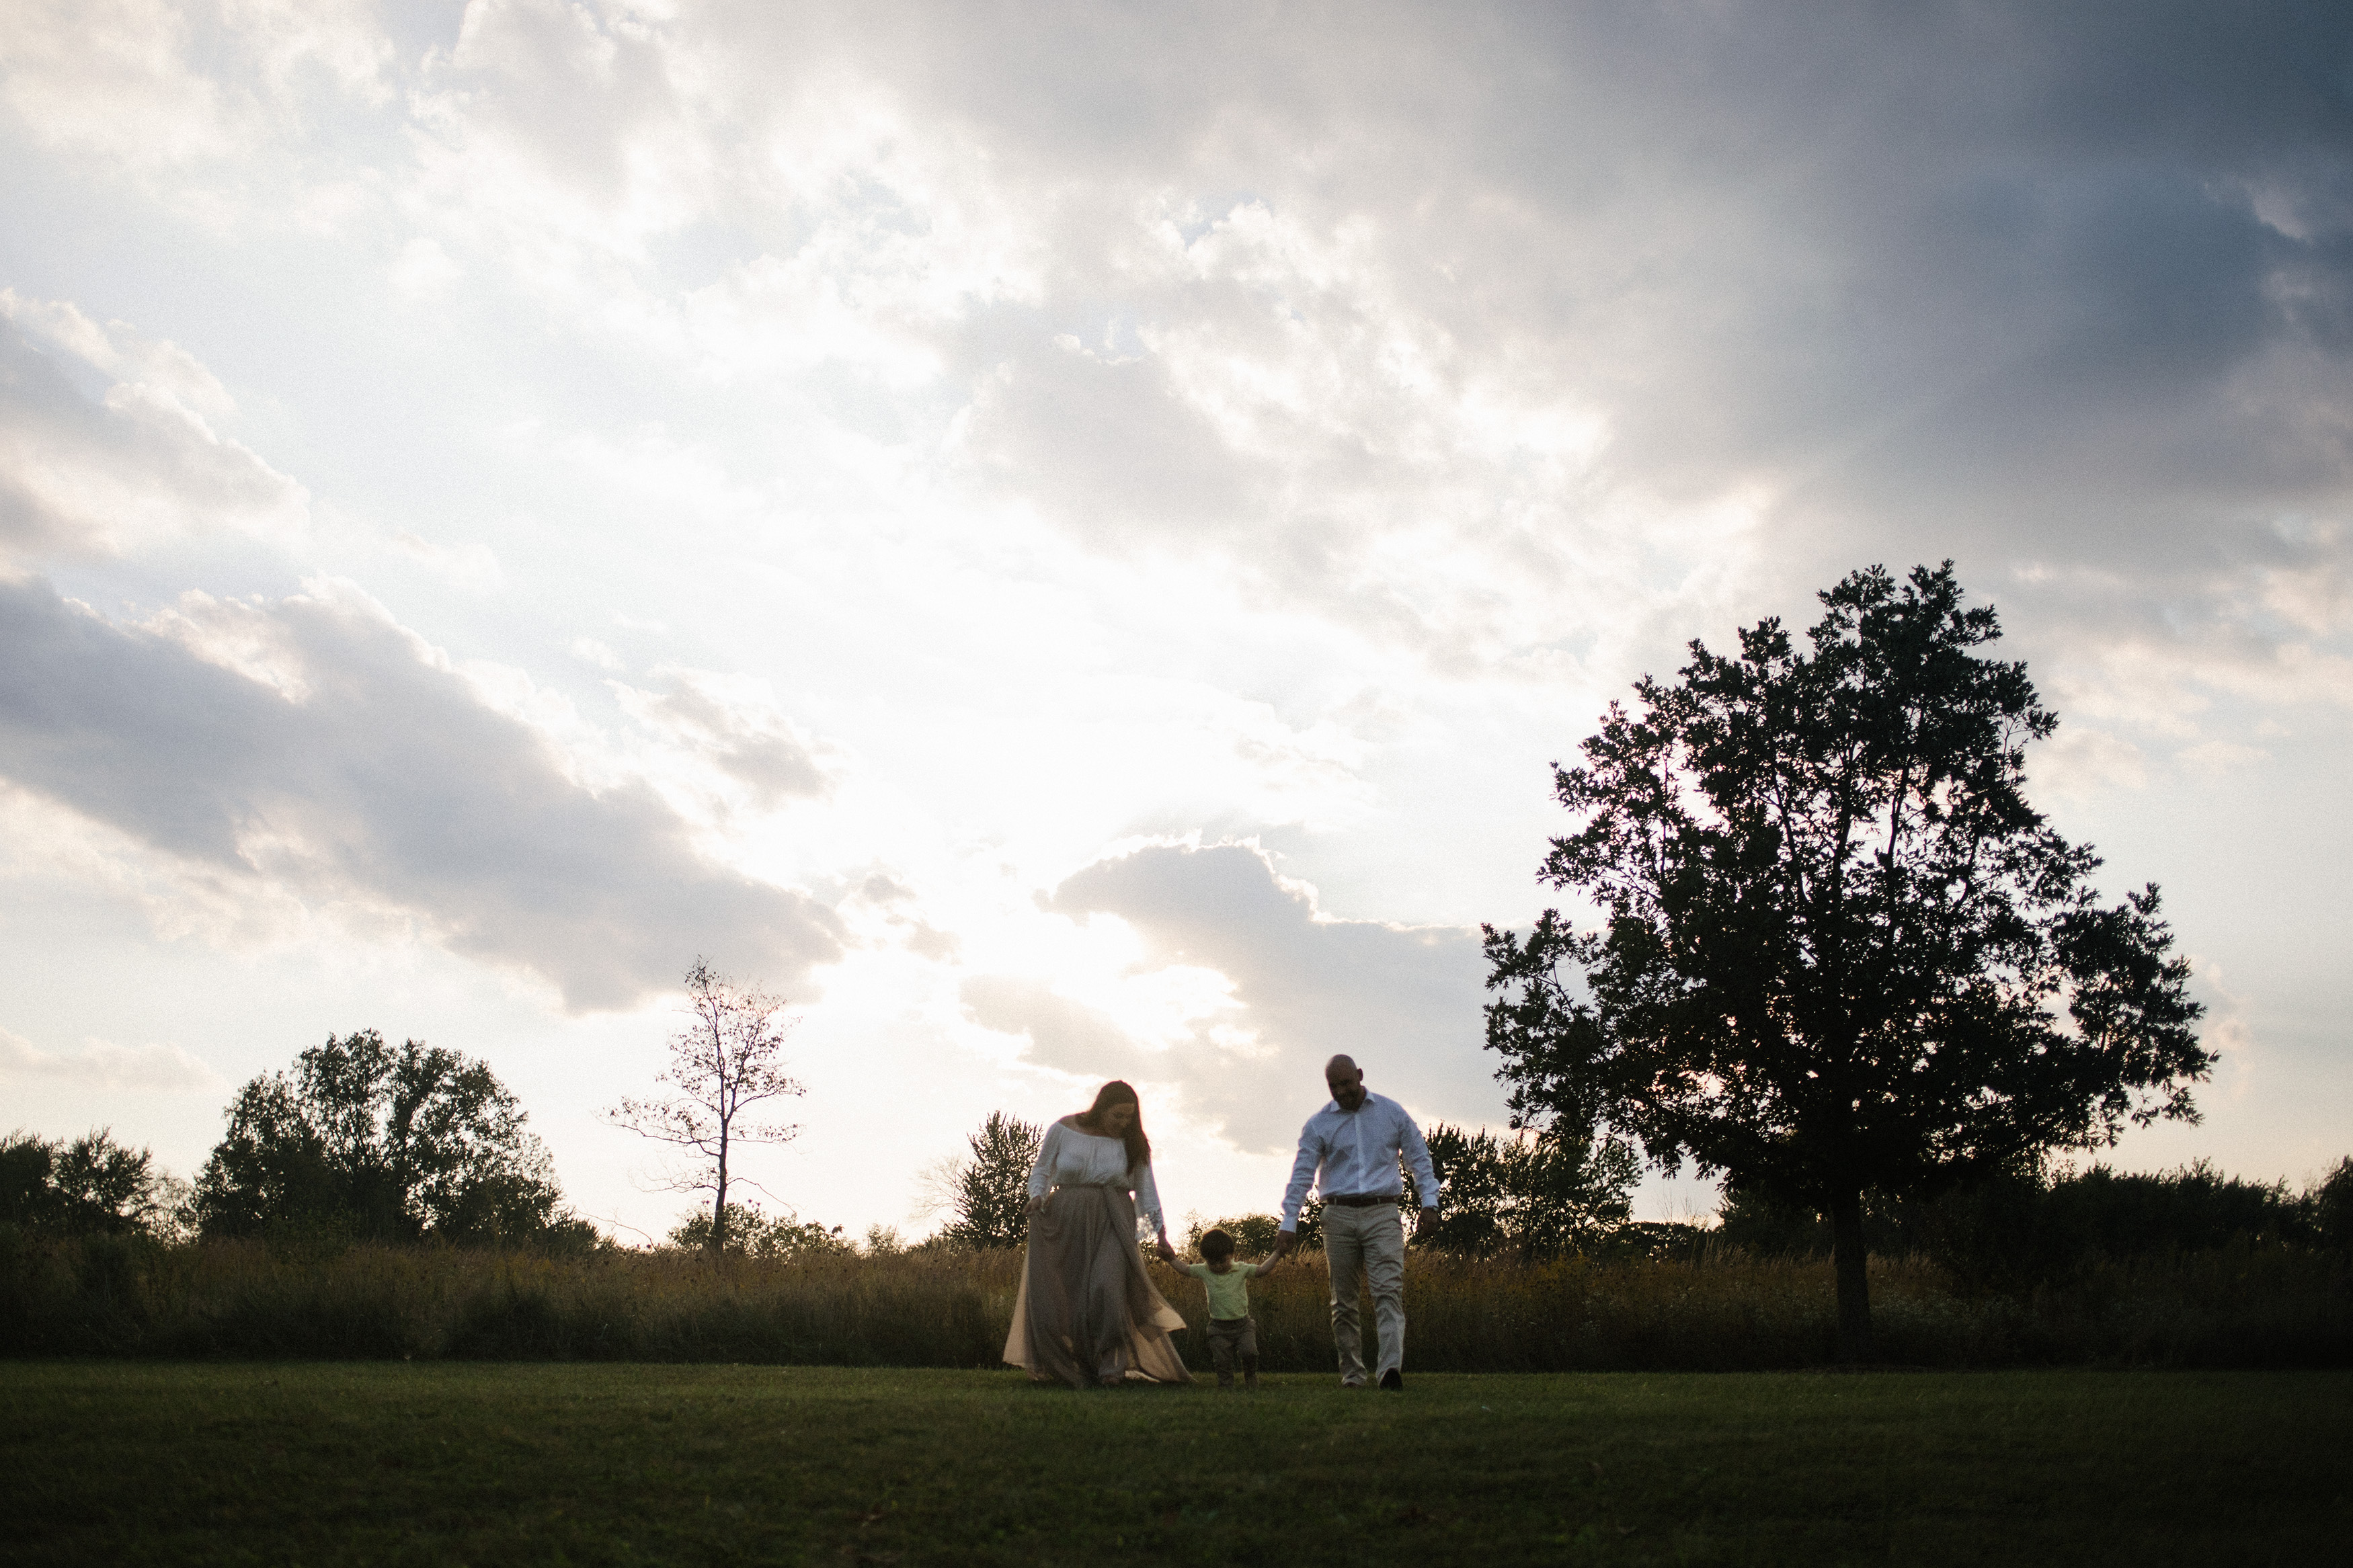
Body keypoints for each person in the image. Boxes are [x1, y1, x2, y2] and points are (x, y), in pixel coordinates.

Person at [1002, 1080, 1191, 1389]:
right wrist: (1037, 1195)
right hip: (1066, 1216)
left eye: (1129, 1117)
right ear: (1101, 1108)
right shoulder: (1063, 1129)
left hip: (1114, 1218)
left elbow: (1146, 1190)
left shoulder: (1134, 1143)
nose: (1123, 1123)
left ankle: (1111, 1367)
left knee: (1107, 1287)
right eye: (1117, 1115)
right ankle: (1077, 1364)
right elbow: (1042, 1169)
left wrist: (1160, 1234)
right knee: (1069, 1295)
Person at [1269, 1055, 1439, 1390]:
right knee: (1343, 1300)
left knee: (1388, 1292)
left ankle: (1390, 1371)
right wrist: (1289, 1221)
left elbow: (1419, 1157)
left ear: (1360, 1076)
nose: (1341, 1091)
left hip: (1383, 1211)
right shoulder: (1319, 1124)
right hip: (1338, 1214)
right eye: (1334, 1086)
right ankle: (1352, 1374)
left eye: (1346, 1083)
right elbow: (1302, 1173)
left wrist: (1429, 1203)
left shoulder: (1392, 1113)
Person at [1181, 1227, 1277, 1390]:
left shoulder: (1241, 1269)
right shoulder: (1204, 1271)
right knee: (1222, 1361)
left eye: (1222, 1261)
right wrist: (1169, 1258)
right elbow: (1184, 1269)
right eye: (1213, 1262)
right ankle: (1226, 1386)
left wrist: (1278, 1254)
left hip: (1243, 1325)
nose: (1218, 1266)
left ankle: (1250, 1376)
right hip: (1218, 1327)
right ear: (1206, 1260)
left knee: (1250, 1352)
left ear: (1232, 1255)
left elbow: (1262, 1270)